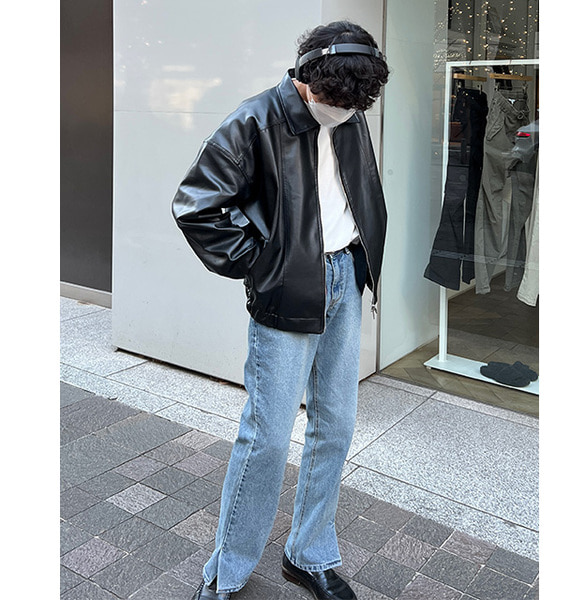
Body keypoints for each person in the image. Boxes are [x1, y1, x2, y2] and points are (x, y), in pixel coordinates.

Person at [172, 20, 389, 600]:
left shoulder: (348, 110)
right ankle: (226, 573)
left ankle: (308, 554)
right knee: (267, 437)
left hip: (345, 277)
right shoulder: (254, 121)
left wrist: (359, 261)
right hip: (288, 288)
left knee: (336, 426)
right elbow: (196, 207)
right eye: (334, 101)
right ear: (306, 77)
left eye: (355, 105)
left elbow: (355, 193)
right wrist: (265, 263)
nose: (344, 113)